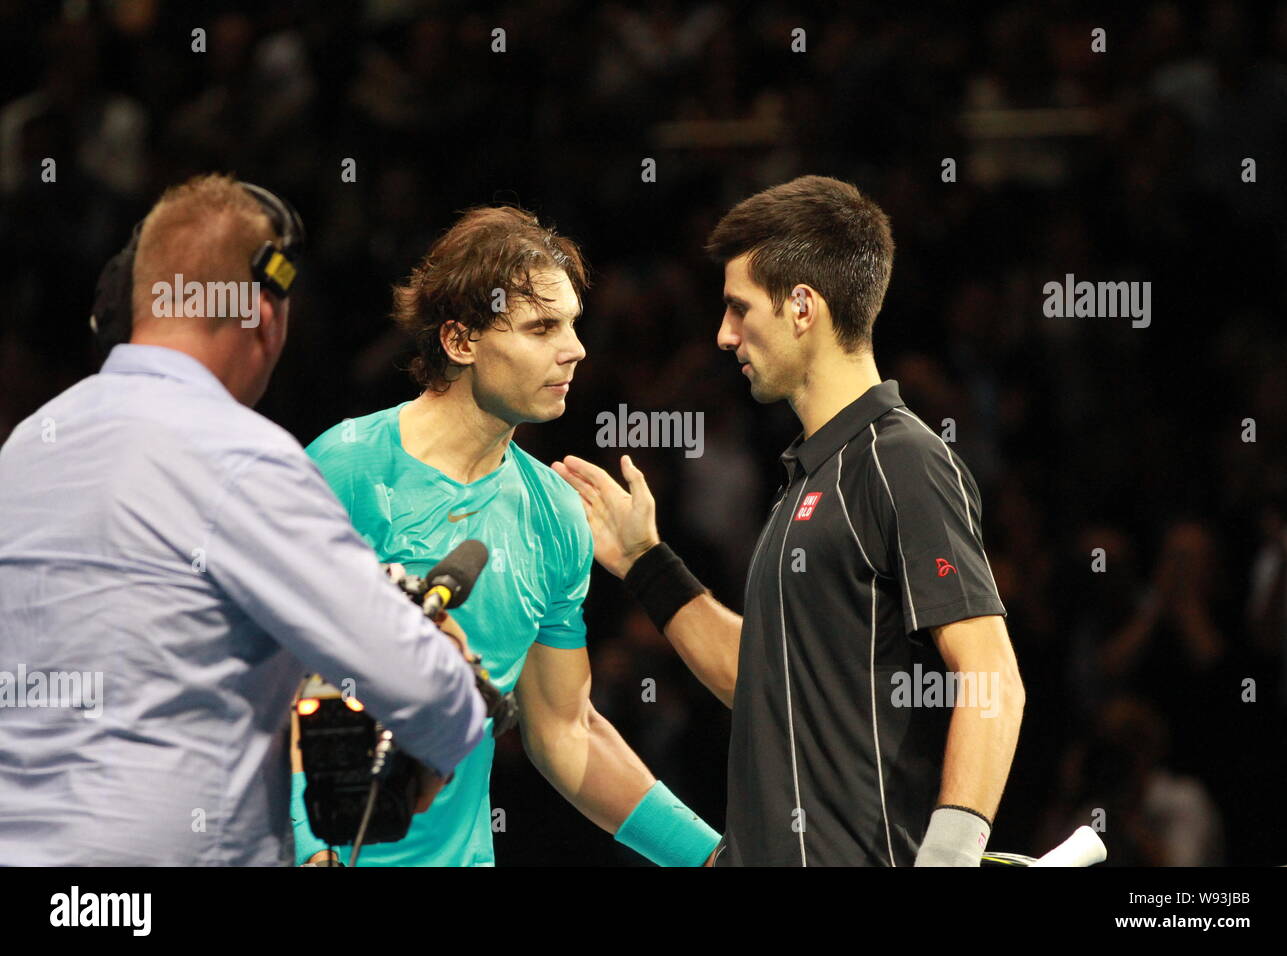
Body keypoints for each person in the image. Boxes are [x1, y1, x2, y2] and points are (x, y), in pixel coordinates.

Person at [0, 174, 485, 866]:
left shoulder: (25, 448)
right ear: (265, 314)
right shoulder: (237, 457)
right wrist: (456, 703)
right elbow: (419, 688)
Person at [554, 175, 1026, 866]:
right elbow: (765, 684)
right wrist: (645, 562)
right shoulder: (809, 479)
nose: (723, 335)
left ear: (802, 306)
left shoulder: (902, 460)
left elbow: (992, 676)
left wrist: (951, 855)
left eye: (740, 309)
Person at [290, 205, 719, 867]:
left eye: (573, 323)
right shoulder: (345, 469)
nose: (574, 348)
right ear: (461, 341)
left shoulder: (554, 515)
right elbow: (267, 689)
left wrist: (714, 858)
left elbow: (566, 730)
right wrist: (311, 853)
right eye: (542, 326)